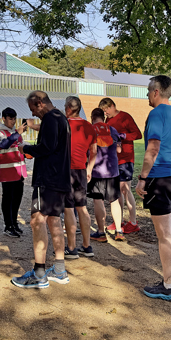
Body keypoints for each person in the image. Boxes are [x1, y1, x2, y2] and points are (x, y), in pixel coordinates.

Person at [134, 75, 171, 301]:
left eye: (149, 91)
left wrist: (142, 178)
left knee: (165, 234)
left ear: (156, 91)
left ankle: (168, 285)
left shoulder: (156, 114)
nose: (148, 95)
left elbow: (153, 148)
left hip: (161, 178)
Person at [11, 91, 71, 288]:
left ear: (40, 103)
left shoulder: (50, 120)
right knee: (54, 219)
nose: (34, 114)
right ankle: (60, 269)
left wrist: (26, 148)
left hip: (47, 179)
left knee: (37, 220)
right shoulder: (61, 117)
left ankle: (38, 273)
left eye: (33, 109)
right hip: (59, 179)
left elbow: (47, 147)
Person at [99, 97, 142, 234]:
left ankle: (133, 222)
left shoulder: (125, 117)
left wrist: (123, 136)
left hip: (126, 158)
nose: (106, 113)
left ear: (112, 106)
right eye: (104, 112)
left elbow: (138, 134)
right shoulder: (108, 120)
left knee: (125, 189)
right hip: (114, 159)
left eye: (106, 110)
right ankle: (120, 221)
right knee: (117, 190)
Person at [63, 96, 96, 258]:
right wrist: (89, 168)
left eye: (65, 106)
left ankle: (71, 248)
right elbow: (94, 151)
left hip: (67, 170)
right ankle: (87, 246)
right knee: (82, 207)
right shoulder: (88, 127)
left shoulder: (64, 125)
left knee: (68, 208)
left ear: (69, 108)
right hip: (82, 170)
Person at [88, 108, 126, 243]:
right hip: (112, 170)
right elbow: (119, 149)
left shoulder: (90, 129)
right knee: (114, 200)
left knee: (98, 200)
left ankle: (101, 232)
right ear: (103, 118)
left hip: (96, 170)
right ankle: (119, 231)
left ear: (92, 117)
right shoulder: (112, 130)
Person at [0, 107, 28, 237]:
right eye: (10, 119)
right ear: (4, 119)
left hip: (18, 170)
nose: (13, 122)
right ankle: (8, 225)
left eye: (14, 119)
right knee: (8, 198)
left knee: (17, 197)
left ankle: (14, 222)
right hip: (7, 170)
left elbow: (20, 146)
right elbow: (3, 144)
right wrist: (16, 134)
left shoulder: (14, 132)